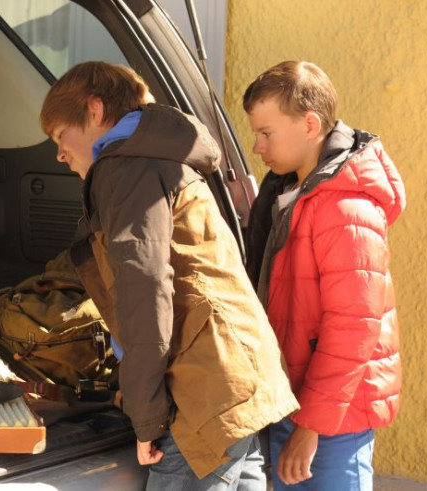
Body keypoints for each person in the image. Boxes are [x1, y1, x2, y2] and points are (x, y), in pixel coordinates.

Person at [40, 61, 299, 490]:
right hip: (240, 376)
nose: (60, 154)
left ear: (94, 110)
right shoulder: (154, 160)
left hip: (204, 393)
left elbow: (144, 290)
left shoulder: (123, 168)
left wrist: (146, 416)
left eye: (59, 136)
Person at [242, 60, 406, 490]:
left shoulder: (346, 209)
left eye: (266, 133)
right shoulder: (288, 195)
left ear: (310, 124)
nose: (257, 146)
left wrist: (310, 426)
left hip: (332, 422)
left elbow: (353, 327)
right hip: (294, 404)